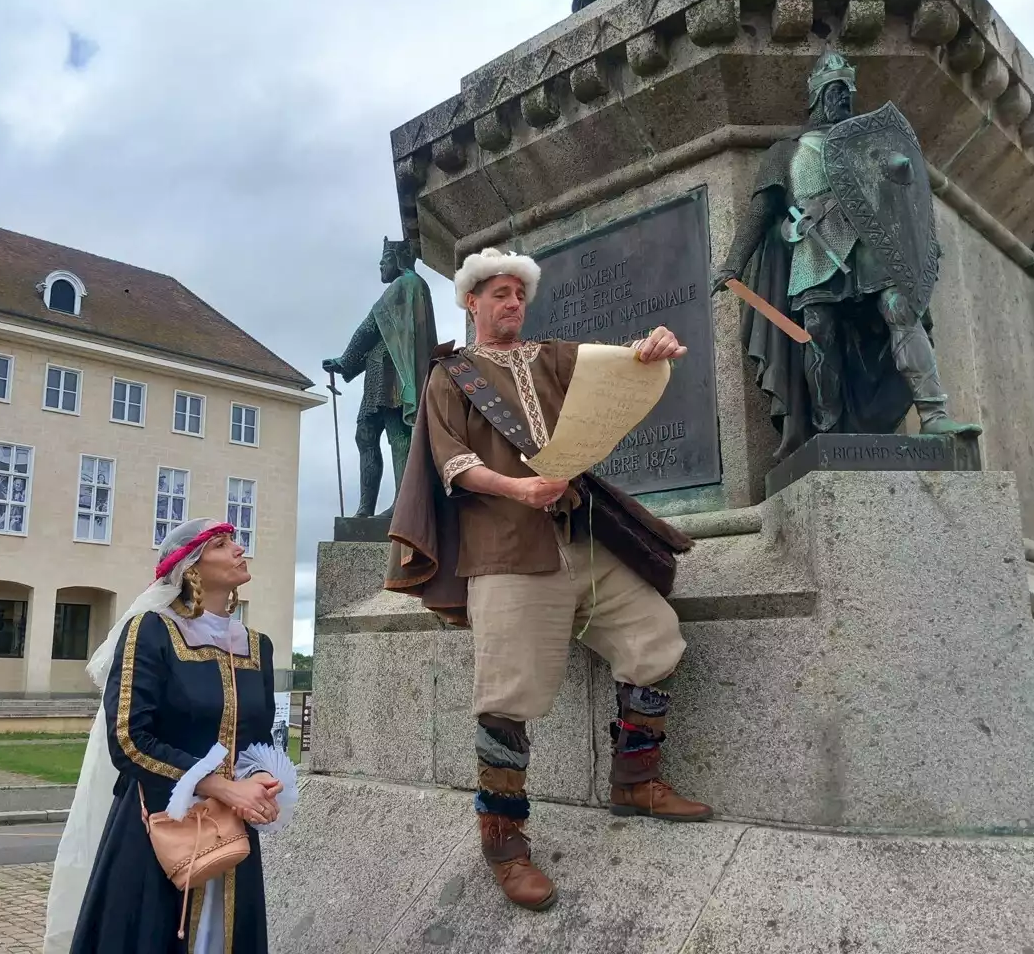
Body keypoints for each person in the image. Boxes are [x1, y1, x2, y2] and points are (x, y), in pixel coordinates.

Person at [387, 247, 710, 913]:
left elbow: (616, 370)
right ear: (472, 301)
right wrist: (515, 487)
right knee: (505, 701)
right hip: (506, 551)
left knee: (657, 642)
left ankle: (635, 778)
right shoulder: (450, 377)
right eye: (498, 293)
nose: (511, 303)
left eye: (518, 294)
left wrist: (650, 348)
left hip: (581, 542)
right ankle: (503, 840)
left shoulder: (554, 357)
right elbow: (453, 463)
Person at [43, 518, 298, 954]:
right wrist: (221, 788)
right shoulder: (152, 631)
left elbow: (260, 740)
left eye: (235, 541)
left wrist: (261, 785)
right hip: (159, 830)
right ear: (191, 568)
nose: (239, 549)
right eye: (222, 544)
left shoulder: (259, 646)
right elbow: (129, 738)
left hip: (232, 838)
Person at [712, 50, 979, 459]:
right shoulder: (786, 152)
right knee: (818, 332)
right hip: (815, 252)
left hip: (869, 247)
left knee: (898, 308)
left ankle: (934, 413)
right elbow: (762, 212)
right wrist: (733, 262)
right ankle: (827, 430)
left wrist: (922, 244)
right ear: (817, 96)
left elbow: (901, 199)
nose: (844, 99)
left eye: (848, 93)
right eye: (836, 91)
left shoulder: (867, 143)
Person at [321, 236, 438, 518]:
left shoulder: (405, 284)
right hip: (378, 377)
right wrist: (349, 366)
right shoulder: (407, 288)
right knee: (366, 435)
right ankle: (365, 509)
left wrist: (346, 360)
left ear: (397, 260)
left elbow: (370, 327)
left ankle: (403, 502)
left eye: (384, 260)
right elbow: (386, 340)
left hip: (394, 381)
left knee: (399, 437)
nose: (380, 266)